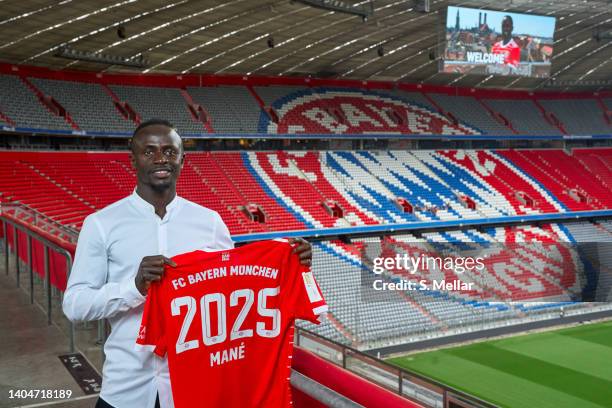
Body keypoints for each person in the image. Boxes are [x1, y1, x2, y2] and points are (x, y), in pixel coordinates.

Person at [62, 119, 313, 408]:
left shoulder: (209, 223)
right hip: (125, 388)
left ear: (183, 159)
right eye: (149, 151)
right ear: (133, 160)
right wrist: (134, 287)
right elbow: (75, 306)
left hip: (196, 391)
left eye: (170, 152)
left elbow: (233, 297)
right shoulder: (101, 224)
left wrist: (290, 265)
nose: (160, 159)